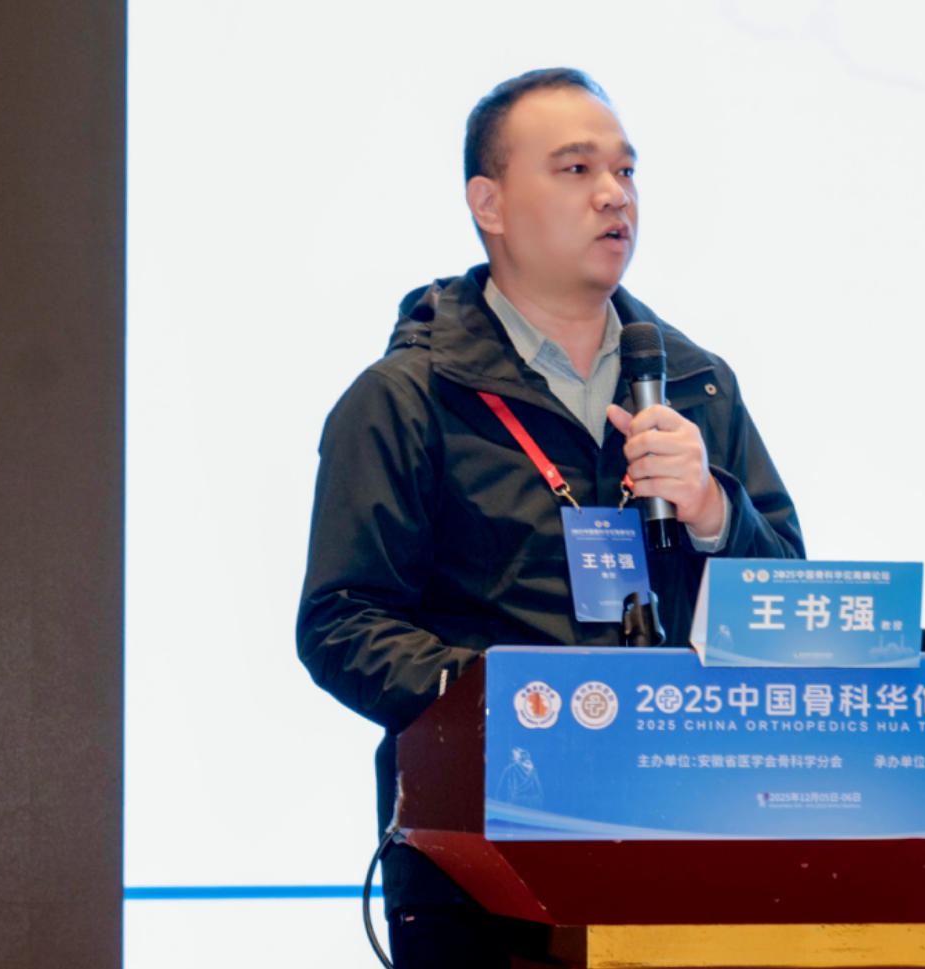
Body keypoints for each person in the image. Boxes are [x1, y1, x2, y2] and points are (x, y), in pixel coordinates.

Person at [296, 68, 804, 967]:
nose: (614, 195)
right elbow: (342, 621)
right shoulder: (408, 398)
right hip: (480, 871)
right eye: (576, 169)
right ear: (487, 203)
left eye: (626, 171)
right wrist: (512, 704)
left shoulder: (695, 386)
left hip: (689, 839)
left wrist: (715, 511)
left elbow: (792, 611)